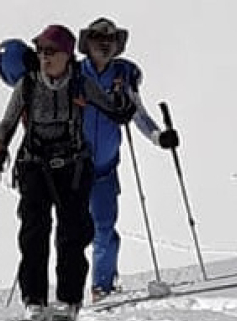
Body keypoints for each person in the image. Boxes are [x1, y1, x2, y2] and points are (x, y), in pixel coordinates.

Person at [0, 24, 134, 321]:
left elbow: (114, 110)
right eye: (40, 51)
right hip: (35, 166)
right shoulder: (28, 83)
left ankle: (69, 300)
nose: (44, 57)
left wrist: (123, 98)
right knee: (33, 234)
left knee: (72, 236)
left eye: (50, 52)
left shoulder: (81, 82)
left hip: (73, 167)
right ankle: (34, 300)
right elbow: (8, 121)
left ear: (67, 55)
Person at [77, 17, 179, 301]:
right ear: (87, 43)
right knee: (72, 230)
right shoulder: (74, 75)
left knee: (104, 227)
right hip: (72, 168)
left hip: (105, 169)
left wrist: (159, 137)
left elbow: (138, 114)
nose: (104, 43)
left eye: (110, 39)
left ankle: (101, 286)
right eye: (98, 38)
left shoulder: (122, 77)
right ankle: (67, 290)